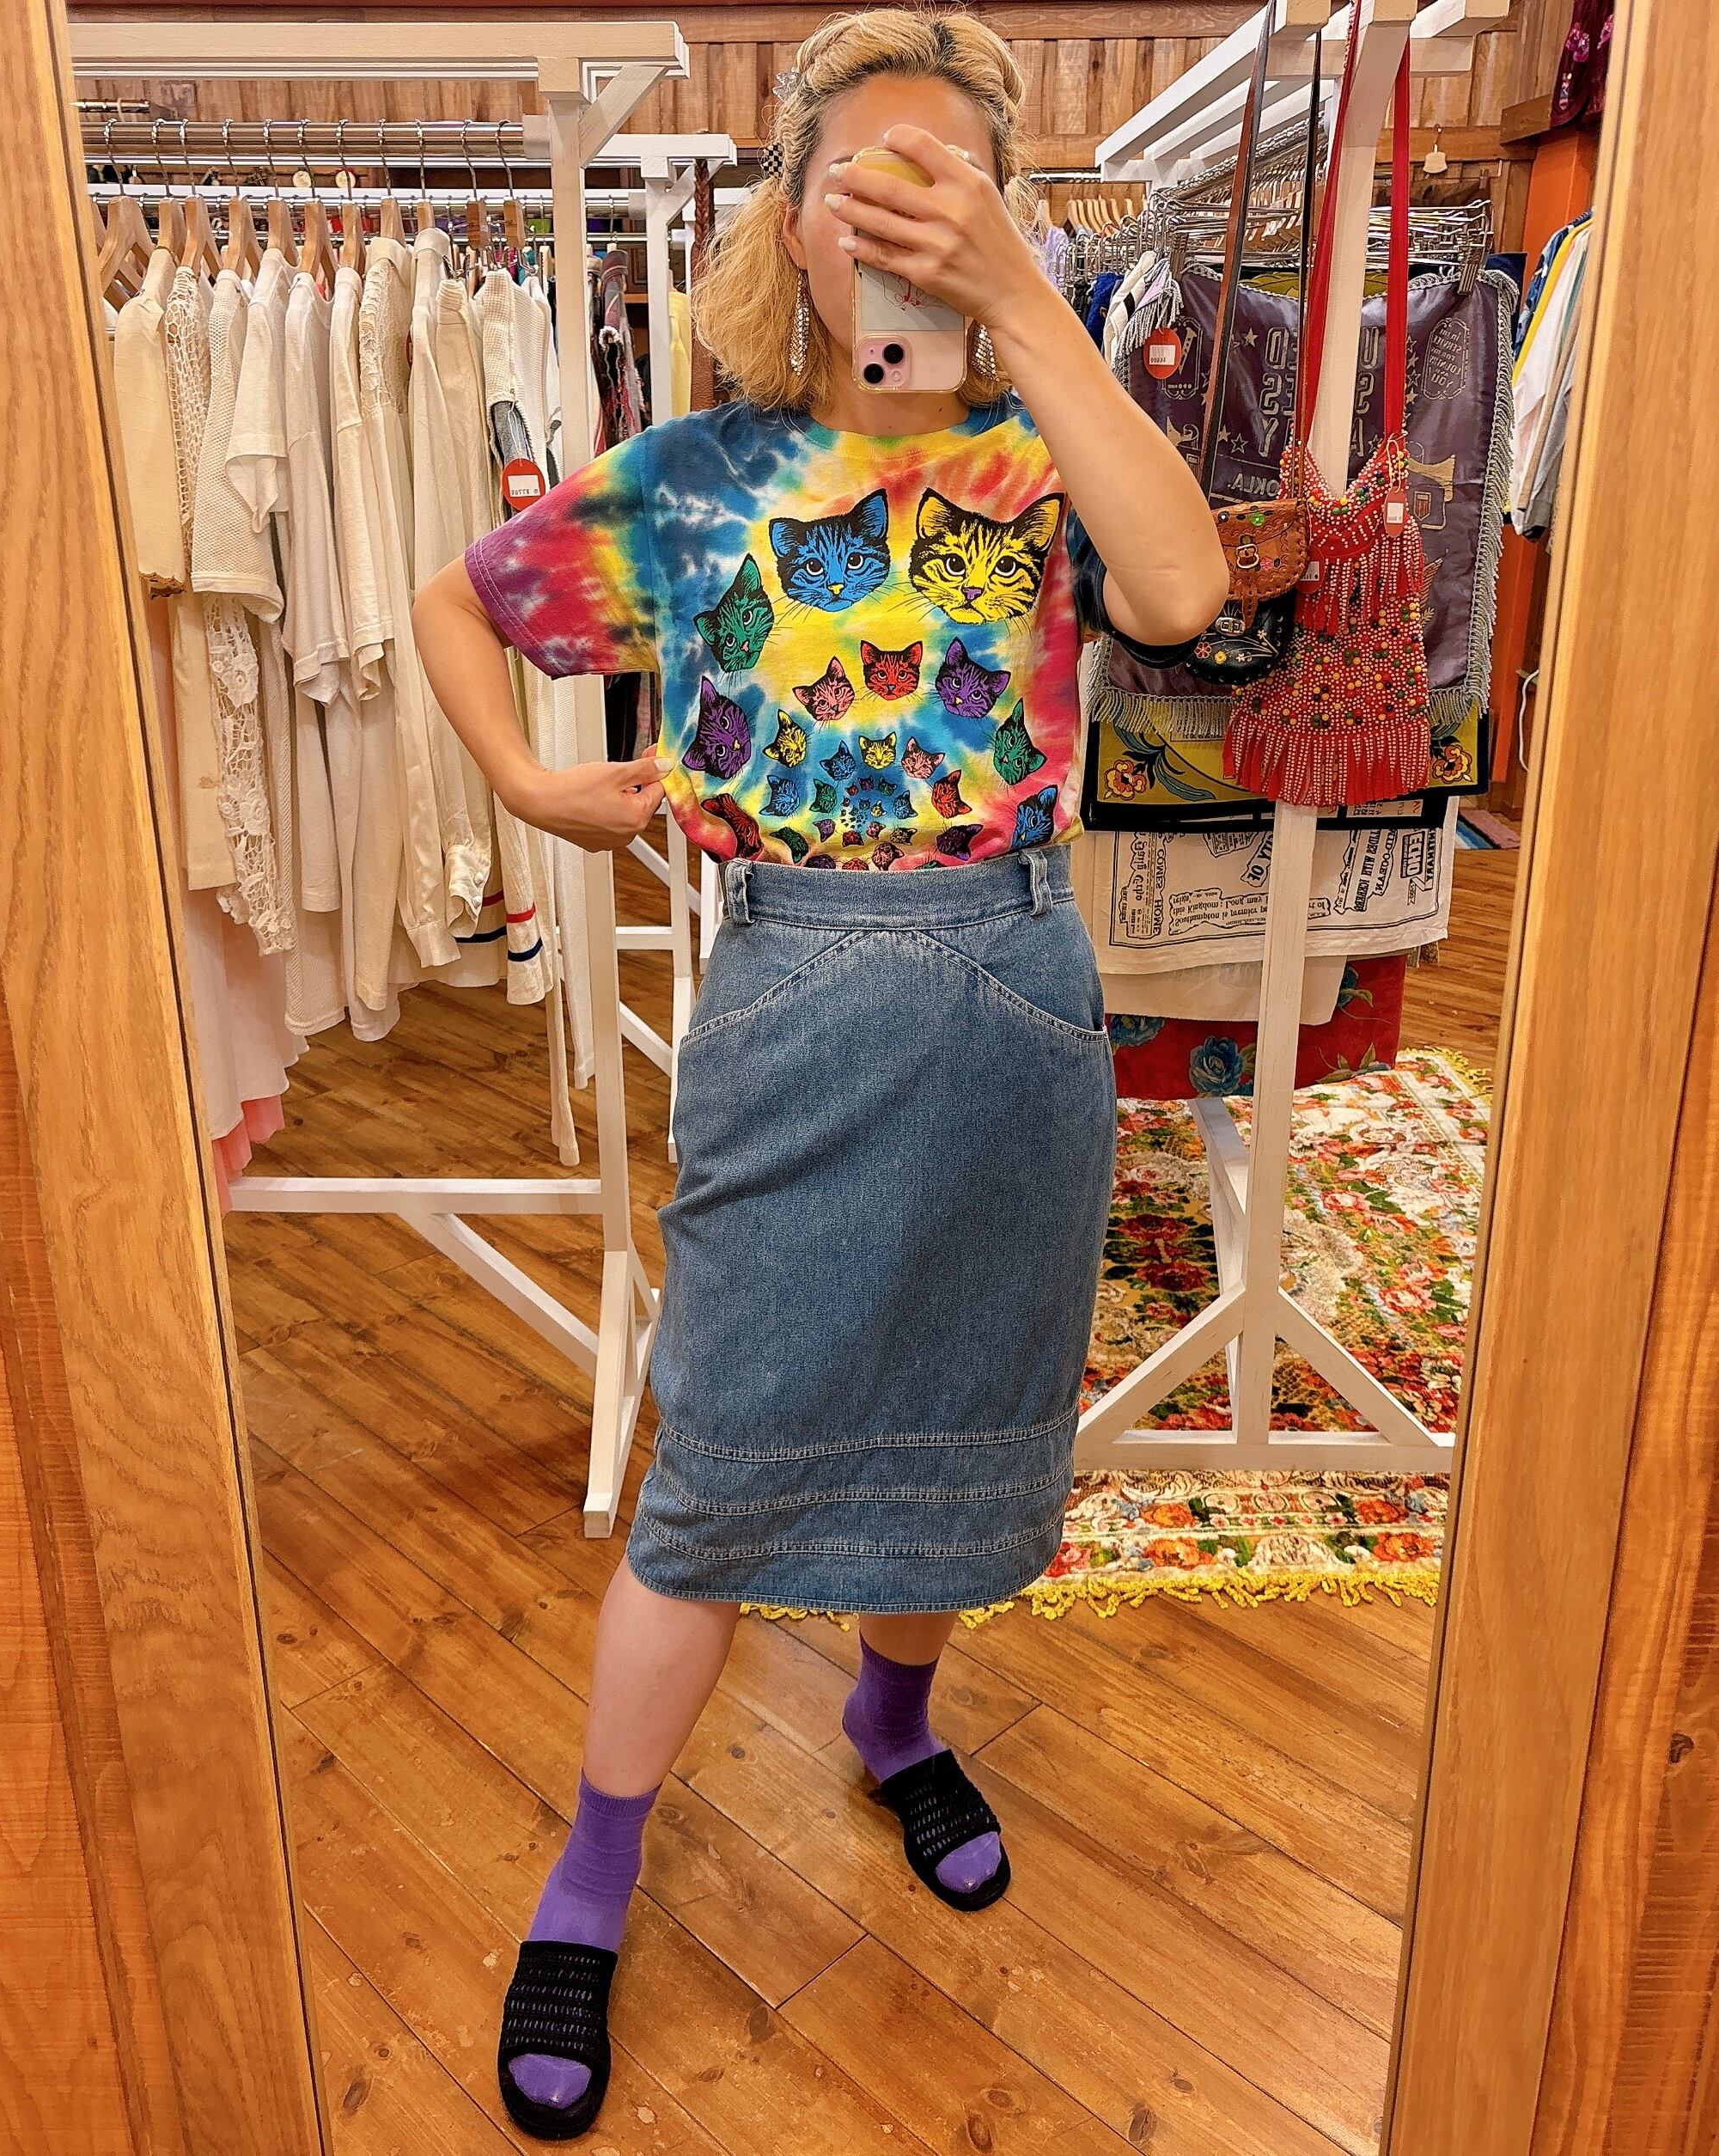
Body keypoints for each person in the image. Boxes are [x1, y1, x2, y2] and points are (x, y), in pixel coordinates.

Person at [412, 8, 1227, 2140]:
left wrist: (1022, 303)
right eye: (863, 176)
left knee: (965, 1430)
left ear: (1003, 211)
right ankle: (593, 1870)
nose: (902, 215)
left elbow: (1180, 587)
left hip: (1016, 997)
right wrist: (534, 786)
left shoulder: (1052, 449)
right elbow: (456, 607)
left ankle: (888, 1717)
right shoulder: (699, 476)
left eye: (948, 177)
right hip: (785, 998)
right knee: (713, 1475)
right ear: (789, 215)